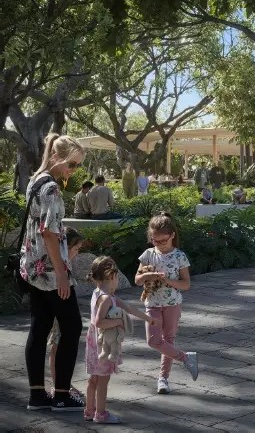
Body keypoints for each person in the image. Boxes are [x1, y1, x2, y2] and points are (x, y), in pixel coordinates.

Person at [20, 133, 85, 412]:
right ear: (57, 157)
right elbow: (49, 231)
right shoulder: (52, 189)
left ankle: (38, 396)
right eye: (72, 164)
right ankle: (61, 394)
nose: (73, 171)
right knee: (72, 327)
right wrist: (61, 273)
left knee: (40, 325)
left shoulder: (35, 181)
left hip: (33, 267)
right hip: (49, 269)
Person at [134, 213, 200, 394]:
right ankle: (186, 358)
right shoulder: (148, 255)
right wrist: (148, 276)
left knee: (168, 340)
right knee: (154, 341)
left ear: (172, 236)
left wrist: (169, 281)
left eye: (162, 240)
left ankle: (163, 379)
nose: (159, 245)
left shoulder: (179, 256)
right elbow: (138, 280)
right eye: (155, 241)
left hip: (172, 303)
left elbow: (186, 284)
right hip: (152, 303)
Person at [85, 256, 156, 424]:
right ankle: (100, 414)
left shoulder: (99, 293)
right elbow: (99, 322)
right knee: (103, 379)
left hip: (93, 342)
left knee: (94, 378)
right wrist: (118, 321)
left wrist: (148, 319)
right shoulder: (107, 298)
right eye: (117, 277)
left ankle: (89, 410)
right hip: (104, 344)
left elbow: (129, 308)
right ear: (112, 276)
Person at [46, 227, 84, 401]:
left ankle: (62, 384)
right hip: (59, 314)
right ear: (64, 247)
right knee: (57, 346)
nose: (76, 253)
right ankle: (59, 386)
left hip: (60, 311)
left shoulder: (64, 265)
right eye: (75, 249)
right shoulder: (58, 266)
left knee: (57, 345)